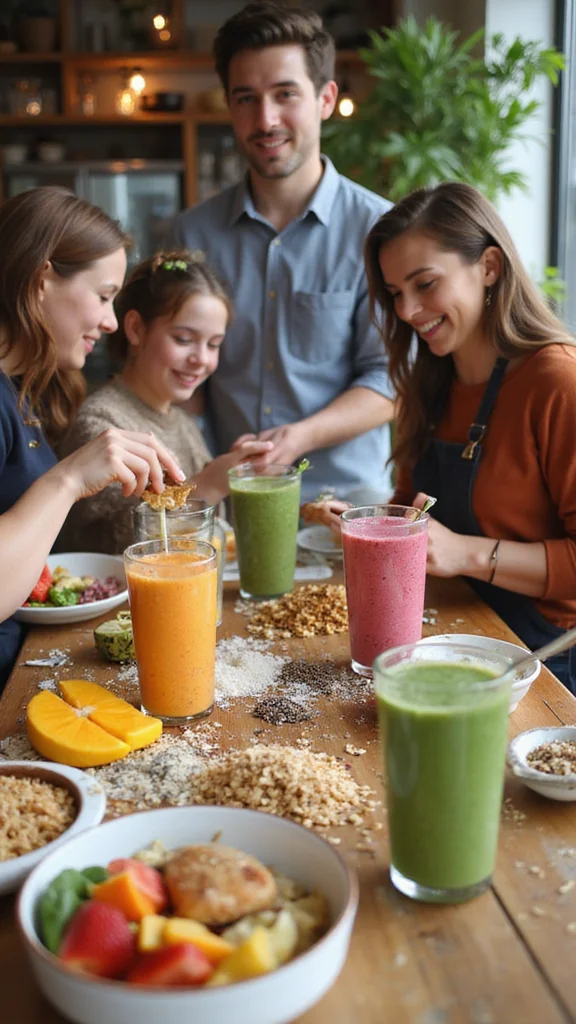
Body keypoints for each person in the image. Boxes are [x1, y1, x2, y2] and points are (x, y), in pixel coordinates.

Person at [320, 181, 576, 690]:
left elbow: (453, 548)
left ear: (489, 267)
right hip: (450, 638)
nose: (406, 310)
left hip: (545, 664)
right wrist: (374, 527)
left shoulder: (557, 381)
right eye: (395, 293)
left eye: (425, 283)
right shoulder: (428, 382)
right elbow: (411, 508)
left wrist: (465, 553)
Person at [167, 1, 395, 502]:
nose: (265, 119)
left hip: (347, 506)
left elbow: (391, 379)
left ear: (326, 99)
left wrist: (300, 438)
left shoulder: (380, 232)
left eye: (285, 94)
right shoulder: (191, 234)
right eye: (246, 98)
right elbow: (179, 380)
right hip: (229, 505)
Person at [0, 187, 187, 687]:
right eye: (103, 296)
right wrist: (69, 479)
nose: (110, 321)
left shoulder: (26, 391)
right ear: (41, 279)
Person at [57, 251, 272, 554]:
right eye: (184, 339)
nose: (201, 359)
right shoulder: (99, 423)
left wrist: (232, 469)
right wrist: (208, 485)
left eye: (214, 345)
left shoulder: (183, 422)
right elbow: (113, 546)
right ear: (135, 328)